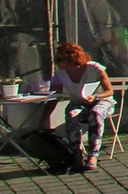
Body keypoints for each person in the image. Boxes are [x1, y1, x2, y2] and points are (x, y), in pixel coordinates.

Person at [47, 42, 114, 172]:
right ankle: (77, 156)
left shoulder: (94, 68)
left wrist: (95, 97)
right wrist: (44, 119)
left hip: (101, 101)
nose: (56, 62)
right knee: (72, 114)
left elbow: (109, 91)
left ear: (71, 58)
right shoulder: (60, 75)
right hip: (80, 103)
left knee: (95, 113)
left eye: (59, 59)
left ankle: (93, 155)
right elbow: (54, 97)